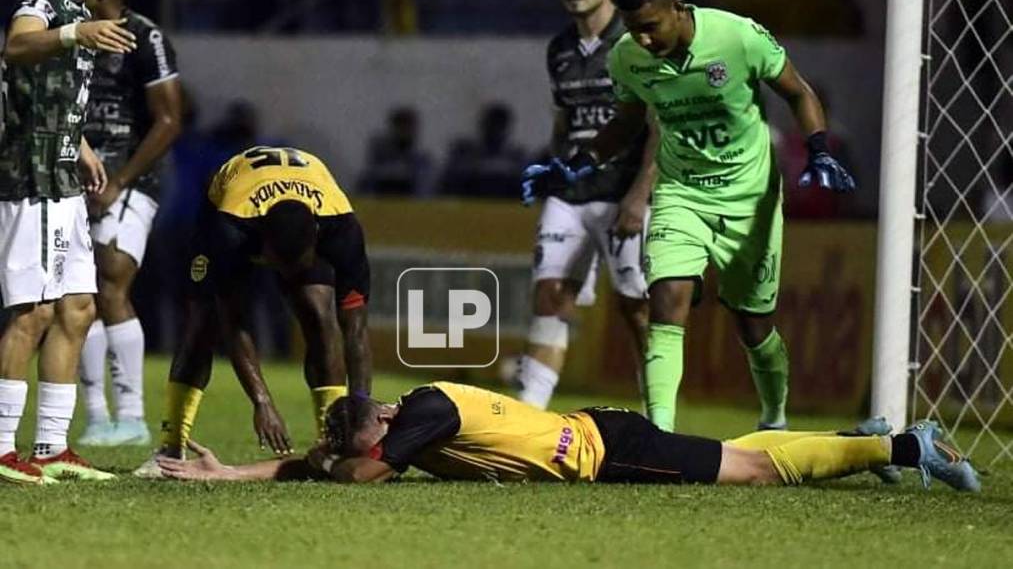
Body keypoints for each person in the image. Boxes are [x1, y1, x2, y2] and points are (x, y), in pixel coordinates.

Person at [522, 0, 856, 432]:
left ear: (678, 10)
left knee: (752, 324)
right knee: (665, 298)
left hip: (749, 197)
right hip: (681, 193)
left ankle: (775, 418)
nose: (642, 40)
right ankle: (660, 432)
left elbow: (799, 93)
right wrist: (576, 164)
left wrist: (818, 149)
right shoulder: (628, 57)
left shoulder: (738, 37)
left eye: (651, 27)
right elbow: (627, 122)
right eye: (633, 29)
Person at [154, 381, 980, 493]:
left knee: (756, 471)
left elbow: (364, 478)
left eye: (354, 438)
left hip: (604, 451)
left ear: (375, 424)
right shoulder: (404, 417)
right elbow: (314, 464)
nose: (359, 446)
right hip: (599, 435)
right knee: (739, 449)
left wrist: (334, 464)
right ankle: (856, 435)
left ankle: (905, 447)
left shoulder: (426, 413)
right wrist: (227, 473)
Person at [134, 146, 373, 477]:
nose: (285, 279)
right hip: (230, 198)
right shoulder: (230, 228)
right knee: (202, 324)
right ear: (263, 246)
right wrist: (262, 401)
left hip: (306, 196)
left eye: (296, 269)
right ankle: (169, 448)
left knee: (321, 315)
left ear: (317, 244)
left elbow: (356, 331)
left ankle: (331, 445)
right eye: (278, 266)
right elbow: (234, 323)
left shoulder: (342, 228)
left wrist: (361, 408)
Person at [0, 0, 133, 485]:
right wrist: (75, 32)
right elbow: (17, 46)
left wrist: (77, 144)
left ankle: (51, 448)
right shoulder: (45, 0)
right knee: (32, 313)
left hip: (61, 177)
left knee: (79, 308)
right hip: (29, 180)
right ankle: (1, 448)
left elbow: (44, 88)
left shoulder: (76, 7)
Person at [516, 0, 655, 410]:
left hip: (623, 195)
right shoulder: (559, 49)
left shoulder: (636, 41)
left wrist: (640, 195)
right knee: (550, 293)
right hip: (572, 195)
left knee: (637, 308)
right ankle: (528, 415)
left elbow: (660, 125)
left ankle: (659, 415)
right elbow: (564, 121)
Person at [75, 0, 183, 447]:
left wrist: (119, 181)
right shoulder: (72, 32)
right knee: (76, 293)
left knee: (112, 277)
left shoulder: (145, 36)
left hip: (131, 177)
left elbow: (169, 120)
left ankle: (133, 414)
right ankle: (98, 416)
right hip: (76, 175)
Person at [438, 103, 527, 198]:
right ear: (483, 125)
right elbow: (448, 183)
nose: (495, 130)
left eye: (499, 125)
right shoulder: (463, 152)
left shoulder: (517, 157)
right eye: (492, 124)